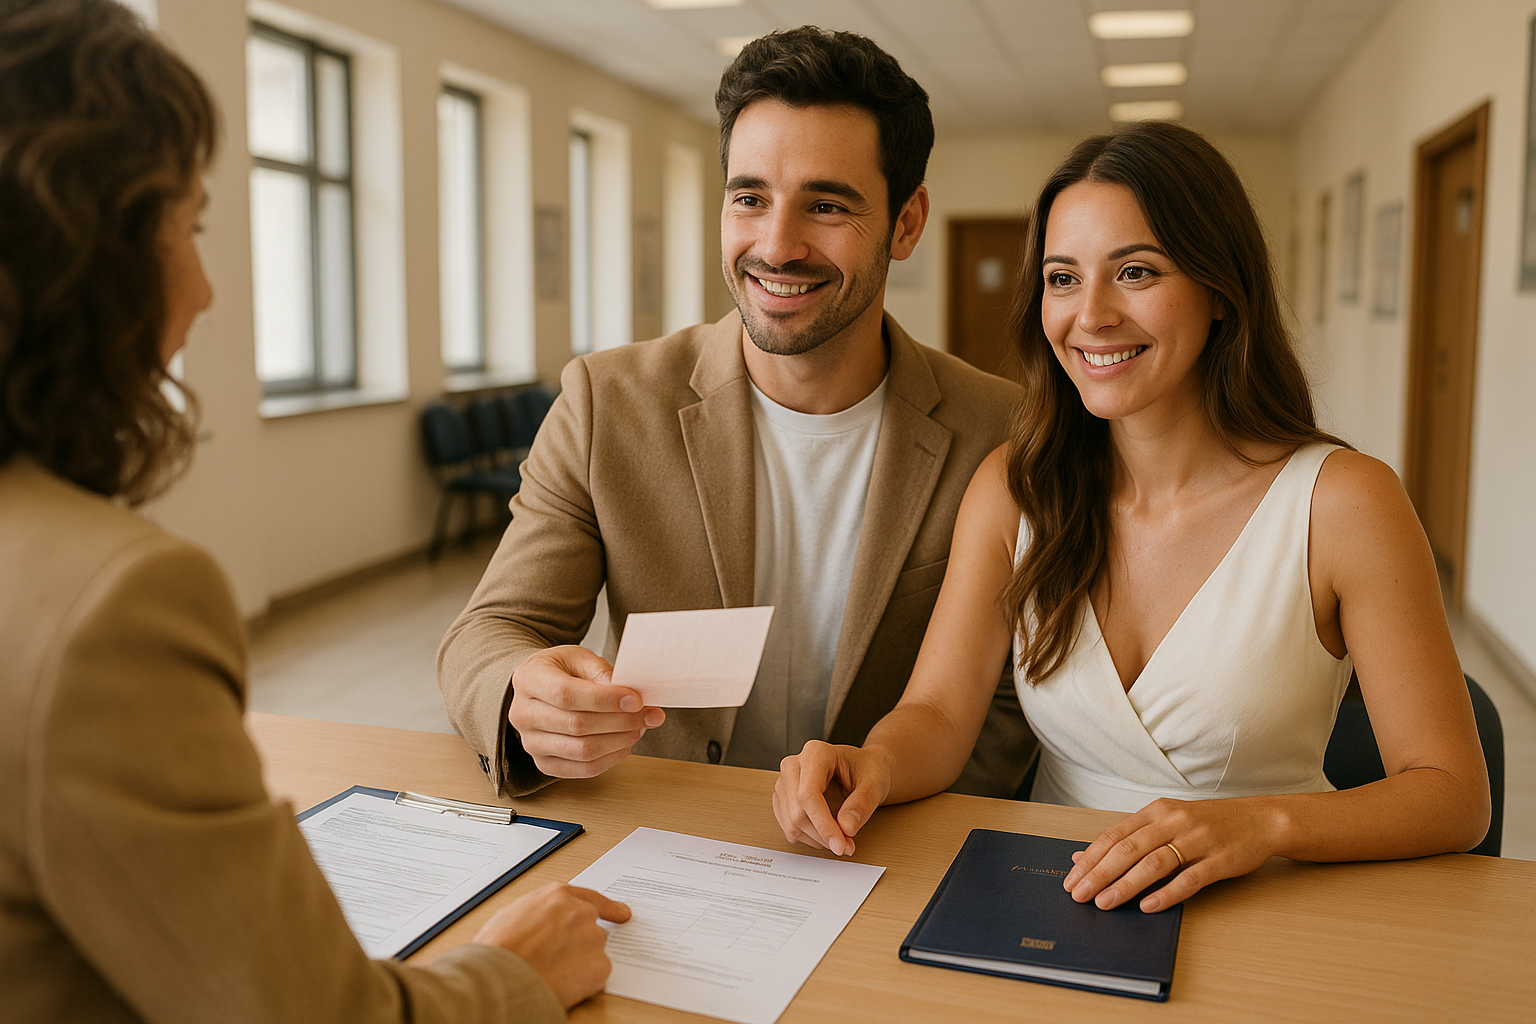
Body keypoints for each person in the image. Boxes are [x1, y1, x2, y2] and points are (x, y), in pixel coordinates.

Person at [0, 2, 627, 1020]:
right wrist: (515, 970)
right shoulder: (109, 605)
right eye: (188, 226)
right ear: (85, 254)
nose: (205, 290)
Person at [772, 120, 1492, 914]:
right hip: (1058, 897)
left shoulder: (1344, 502)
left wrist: (1263, 822)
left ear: (1221, 291)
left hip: (1270, 905)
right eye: (1062, 278)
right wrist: (873, 762)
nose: (1091, 315)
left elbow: (1454, 794)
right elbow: (938, 714)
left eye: (1136, 272)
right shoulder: (1016, 487)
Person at [439, 27, 1033, 798]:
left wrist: (901, 817)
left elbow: (1016, 695)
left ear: (907, 222)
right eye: (749, 199)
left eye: (826, 205)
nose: (777, 246)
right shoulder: (605, 404)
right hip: (673, 823)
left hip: (891, 831)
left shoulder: (1001, 428)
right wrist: (524, 692)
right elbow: (488, 633)